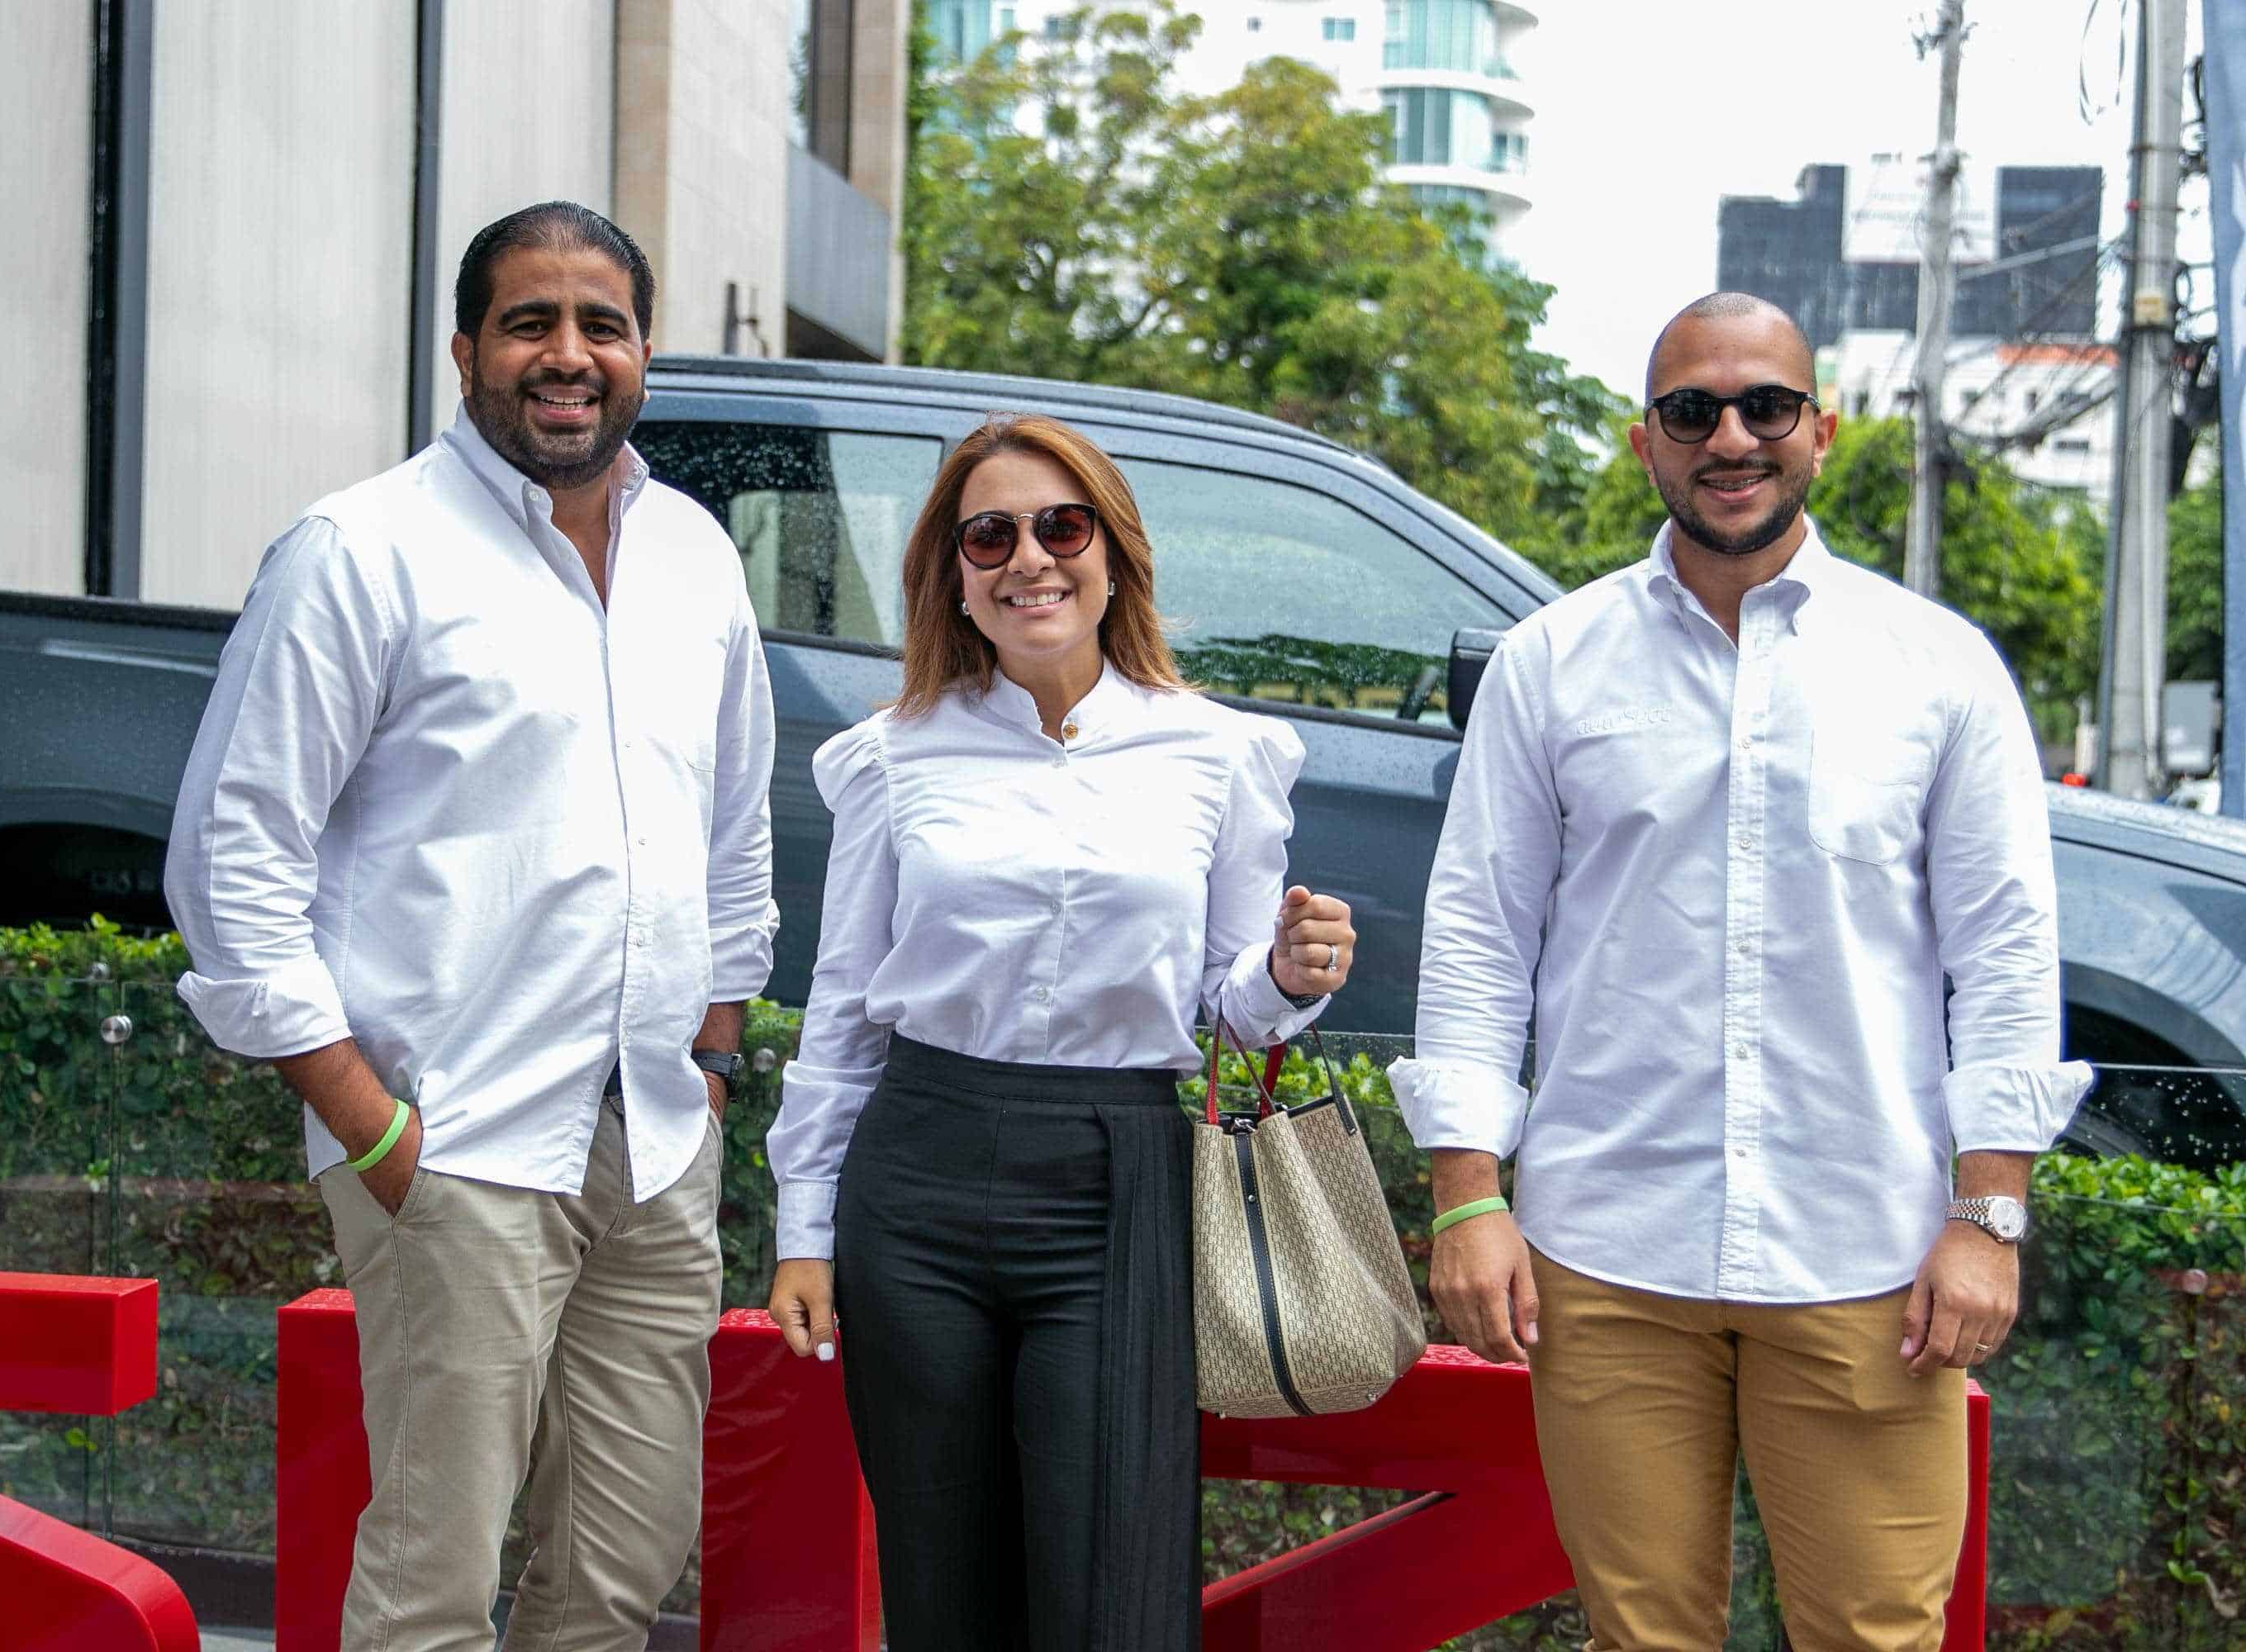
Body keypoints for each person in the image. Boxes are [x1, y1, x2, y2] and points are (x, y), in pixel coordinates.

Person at [1397, 292, 2092, 1650]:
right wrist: (1467, 1195)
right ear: (1644, 442)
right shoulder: (1553, 666)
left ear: (1820, 431)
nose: (1731, 436)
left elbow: (2004, 949)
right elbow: (1479, 930)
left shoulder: (1938, 669)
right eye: (1692, 410)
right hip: (1609, 1255)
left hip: (1869, 1257)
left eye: (1764, 405)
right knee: (1640, 1636)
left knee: (1875, 1634)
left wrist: (1990, 1212)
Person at [165, 202, 775, 1652]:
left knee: (623, 1568)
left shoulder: (695, 555)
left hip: (655, 1138)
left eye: (602, 325)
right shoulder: (360, 549)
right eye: (529, 323)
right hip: (453, 1141)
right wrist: (367, 1123)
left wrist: (716, 1057)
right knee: (433, 1578)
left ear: (642, 352)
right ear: (464, 351)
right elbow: (232, 854)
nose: (568, 356)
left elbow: (733, 835)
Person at [763, 414, 1356, 1650]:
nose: (1029, 557)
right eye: (991, 535)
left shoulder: (1220, 752)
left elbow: (1224, 1004)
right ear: (957, 578)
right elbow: (842, 1009)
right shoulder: (893, 756)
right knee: (943, 1583)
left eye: (1060, 525)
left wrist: (1290, 977)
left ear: (1112, 554)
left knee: (1110, 1581)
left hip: (1115, 1176)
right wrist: (804, 1233)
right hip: (919, 1171)